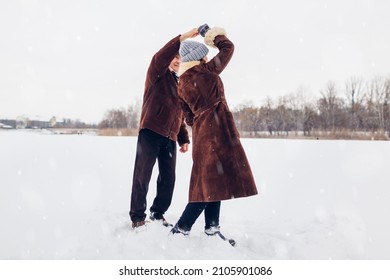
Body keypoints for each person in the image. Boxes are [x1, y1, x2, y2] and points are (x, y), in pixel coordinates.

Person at [170, 24, 258, 237]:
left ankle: (212, 228)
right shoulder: (206, 71)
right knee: (208, 182)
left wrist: (202, 116)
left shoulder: (181, 83)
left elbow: (188, 117)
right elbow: (228, 48)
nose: (209, 60)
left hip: (202, 132)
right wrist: (210, 34)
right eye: (205, 57)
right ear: (200, 58)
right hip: (217, 130)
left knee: (211, 179)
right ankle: (182, 227)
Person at [129, 28, 198, 229]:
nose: (177, 61)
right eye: (174, 57)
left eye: (180, 59)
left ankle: (157, 213)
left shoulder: (180, 83)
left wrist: (183, 138)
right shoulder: (156, 74)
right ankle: (137, 217)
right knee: (142, 175)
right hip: (150, 132)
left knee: (168, 179)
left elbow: (180, 114)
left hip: (169, 137)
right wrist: (183, 38)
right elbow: (159, 56)